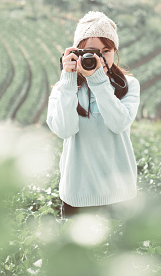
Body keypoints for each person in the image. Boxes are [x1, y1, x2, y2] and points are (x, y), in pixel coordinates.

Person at [46, 11, 140, 219]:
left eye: (106, 50)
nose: (99, 57)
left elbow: (118, 123)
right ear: (78, 52)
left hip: (120, 195)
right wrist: (68, 80)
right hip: (77, 196)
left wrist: (98, 81)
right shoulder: (63, 89)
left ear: (115, 51)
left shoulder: (129, 86)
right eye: (91, 51)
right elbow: (64, 130)